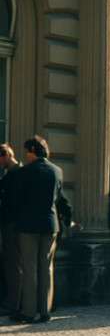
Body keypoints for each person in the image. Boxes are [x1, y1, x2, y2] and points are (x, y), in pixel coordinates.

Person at [12, 137, 63, 323]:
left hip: (28, 225)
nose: (27, 155)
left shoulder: (25, 172)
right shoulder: (57, 171)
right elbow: (56, 197)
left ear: (32, 149)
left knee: (30, 268)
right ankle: (45, 310)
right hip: (50, 224)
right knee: (46, 268)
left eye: (27, 152)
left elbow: (18, 199)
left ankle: (28, 311)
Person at [0, 144, 22, 315]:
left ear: (7, 155)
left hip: (12, 225)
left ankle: (13, 304)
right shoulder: (13, 174)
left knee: (12, 264)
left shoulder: (16, 175)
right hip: (13, 224)